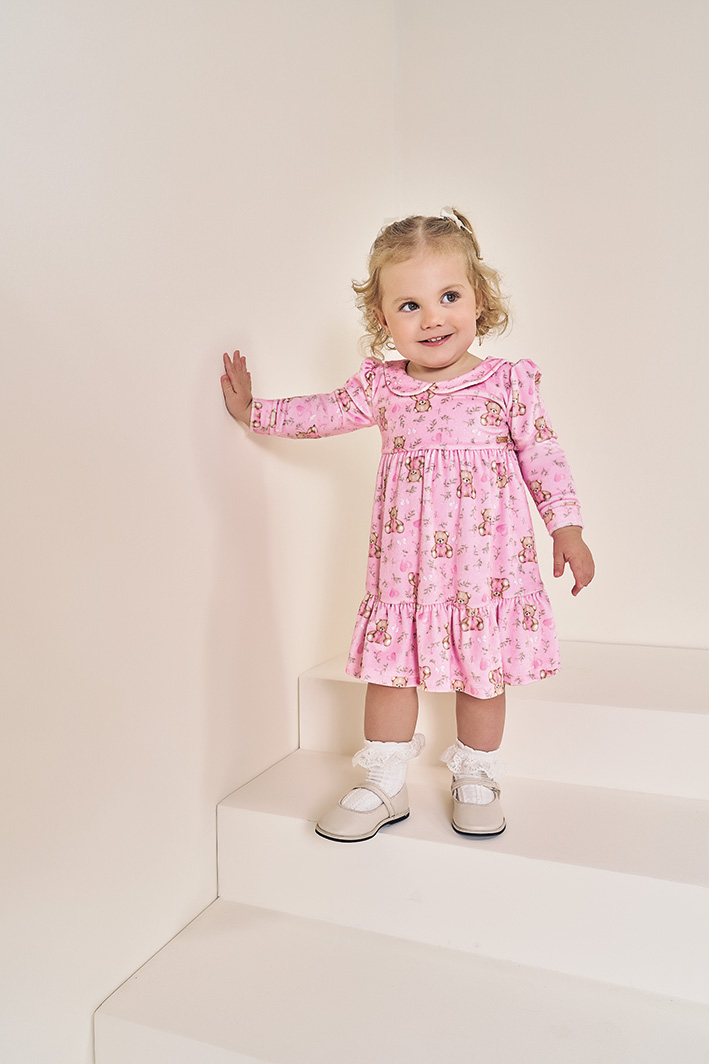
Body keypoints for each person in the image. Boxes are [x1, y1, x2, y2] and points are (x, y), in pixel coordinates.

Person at [220, 207, 594, 843]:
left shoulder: (508, 383)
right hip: (405, 571)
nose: (432, 319)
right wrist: (254, 411)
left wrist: (567, 527)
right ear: (383, 318)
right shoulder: (382, 387)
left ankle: (477, 776)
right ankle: (383, 781)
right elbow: (323, 413)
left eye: (449, 297)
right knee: (390, 670)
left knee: (483, 673)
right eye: (409, 306)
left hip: (486, 572)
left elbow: (543, 454)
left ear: (480, 299)